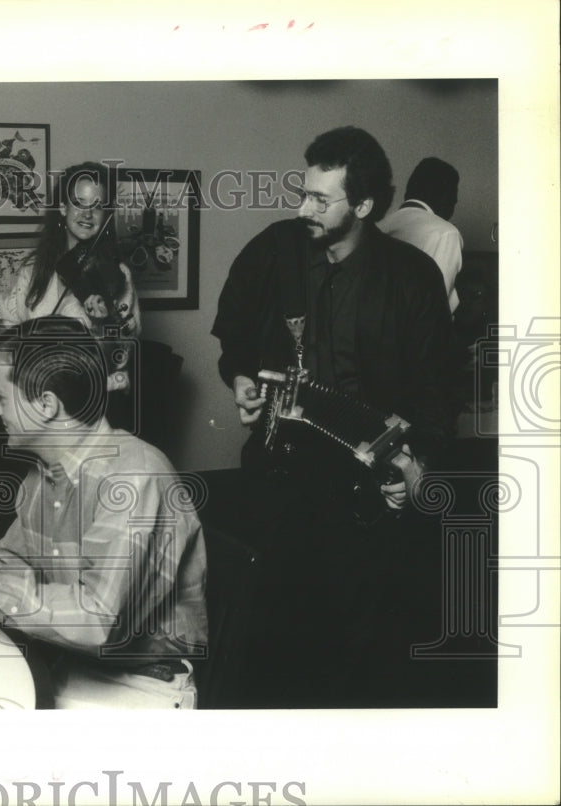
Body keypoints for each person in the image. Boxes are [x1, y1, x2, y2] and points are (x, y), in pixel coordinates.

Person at [211, 126, 456, 707]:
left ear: (365, 206)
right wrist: (242, 378)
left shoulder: (413, 279)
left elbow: (437, 395)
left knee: (356, 649)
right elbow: (234, 336)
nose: (304, 209)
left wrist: (417, 462)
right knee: (270, 638)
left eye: (321, 200)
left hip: (362, 497)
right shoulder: (275, 249)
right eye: (304, 193)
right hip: (279, 480)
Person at [0, 317, 208, 709]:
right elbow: (13, 560)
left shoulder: (132, 477)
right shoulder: (43, 474)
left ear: (46, 405)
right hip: (66, 665)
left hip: (141, 688)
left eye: (0, 396)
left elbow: (96, 622)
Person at [0, 161, 142, 343]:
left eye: (97, 206)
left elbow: (124, 351)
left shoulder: (116, 275)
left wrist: (102, 324)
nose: (87, 214)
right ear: (64, 208)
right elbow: (4, 334)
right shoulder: (33, 270)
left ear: (106, 215)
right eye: (79, 203)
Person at [379, 157, 464, 313]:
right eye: (454, 194)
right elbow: (435, 307)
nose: (456, 201)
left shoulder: (380, 225)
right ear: (444, 195)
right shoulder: (446, 233)